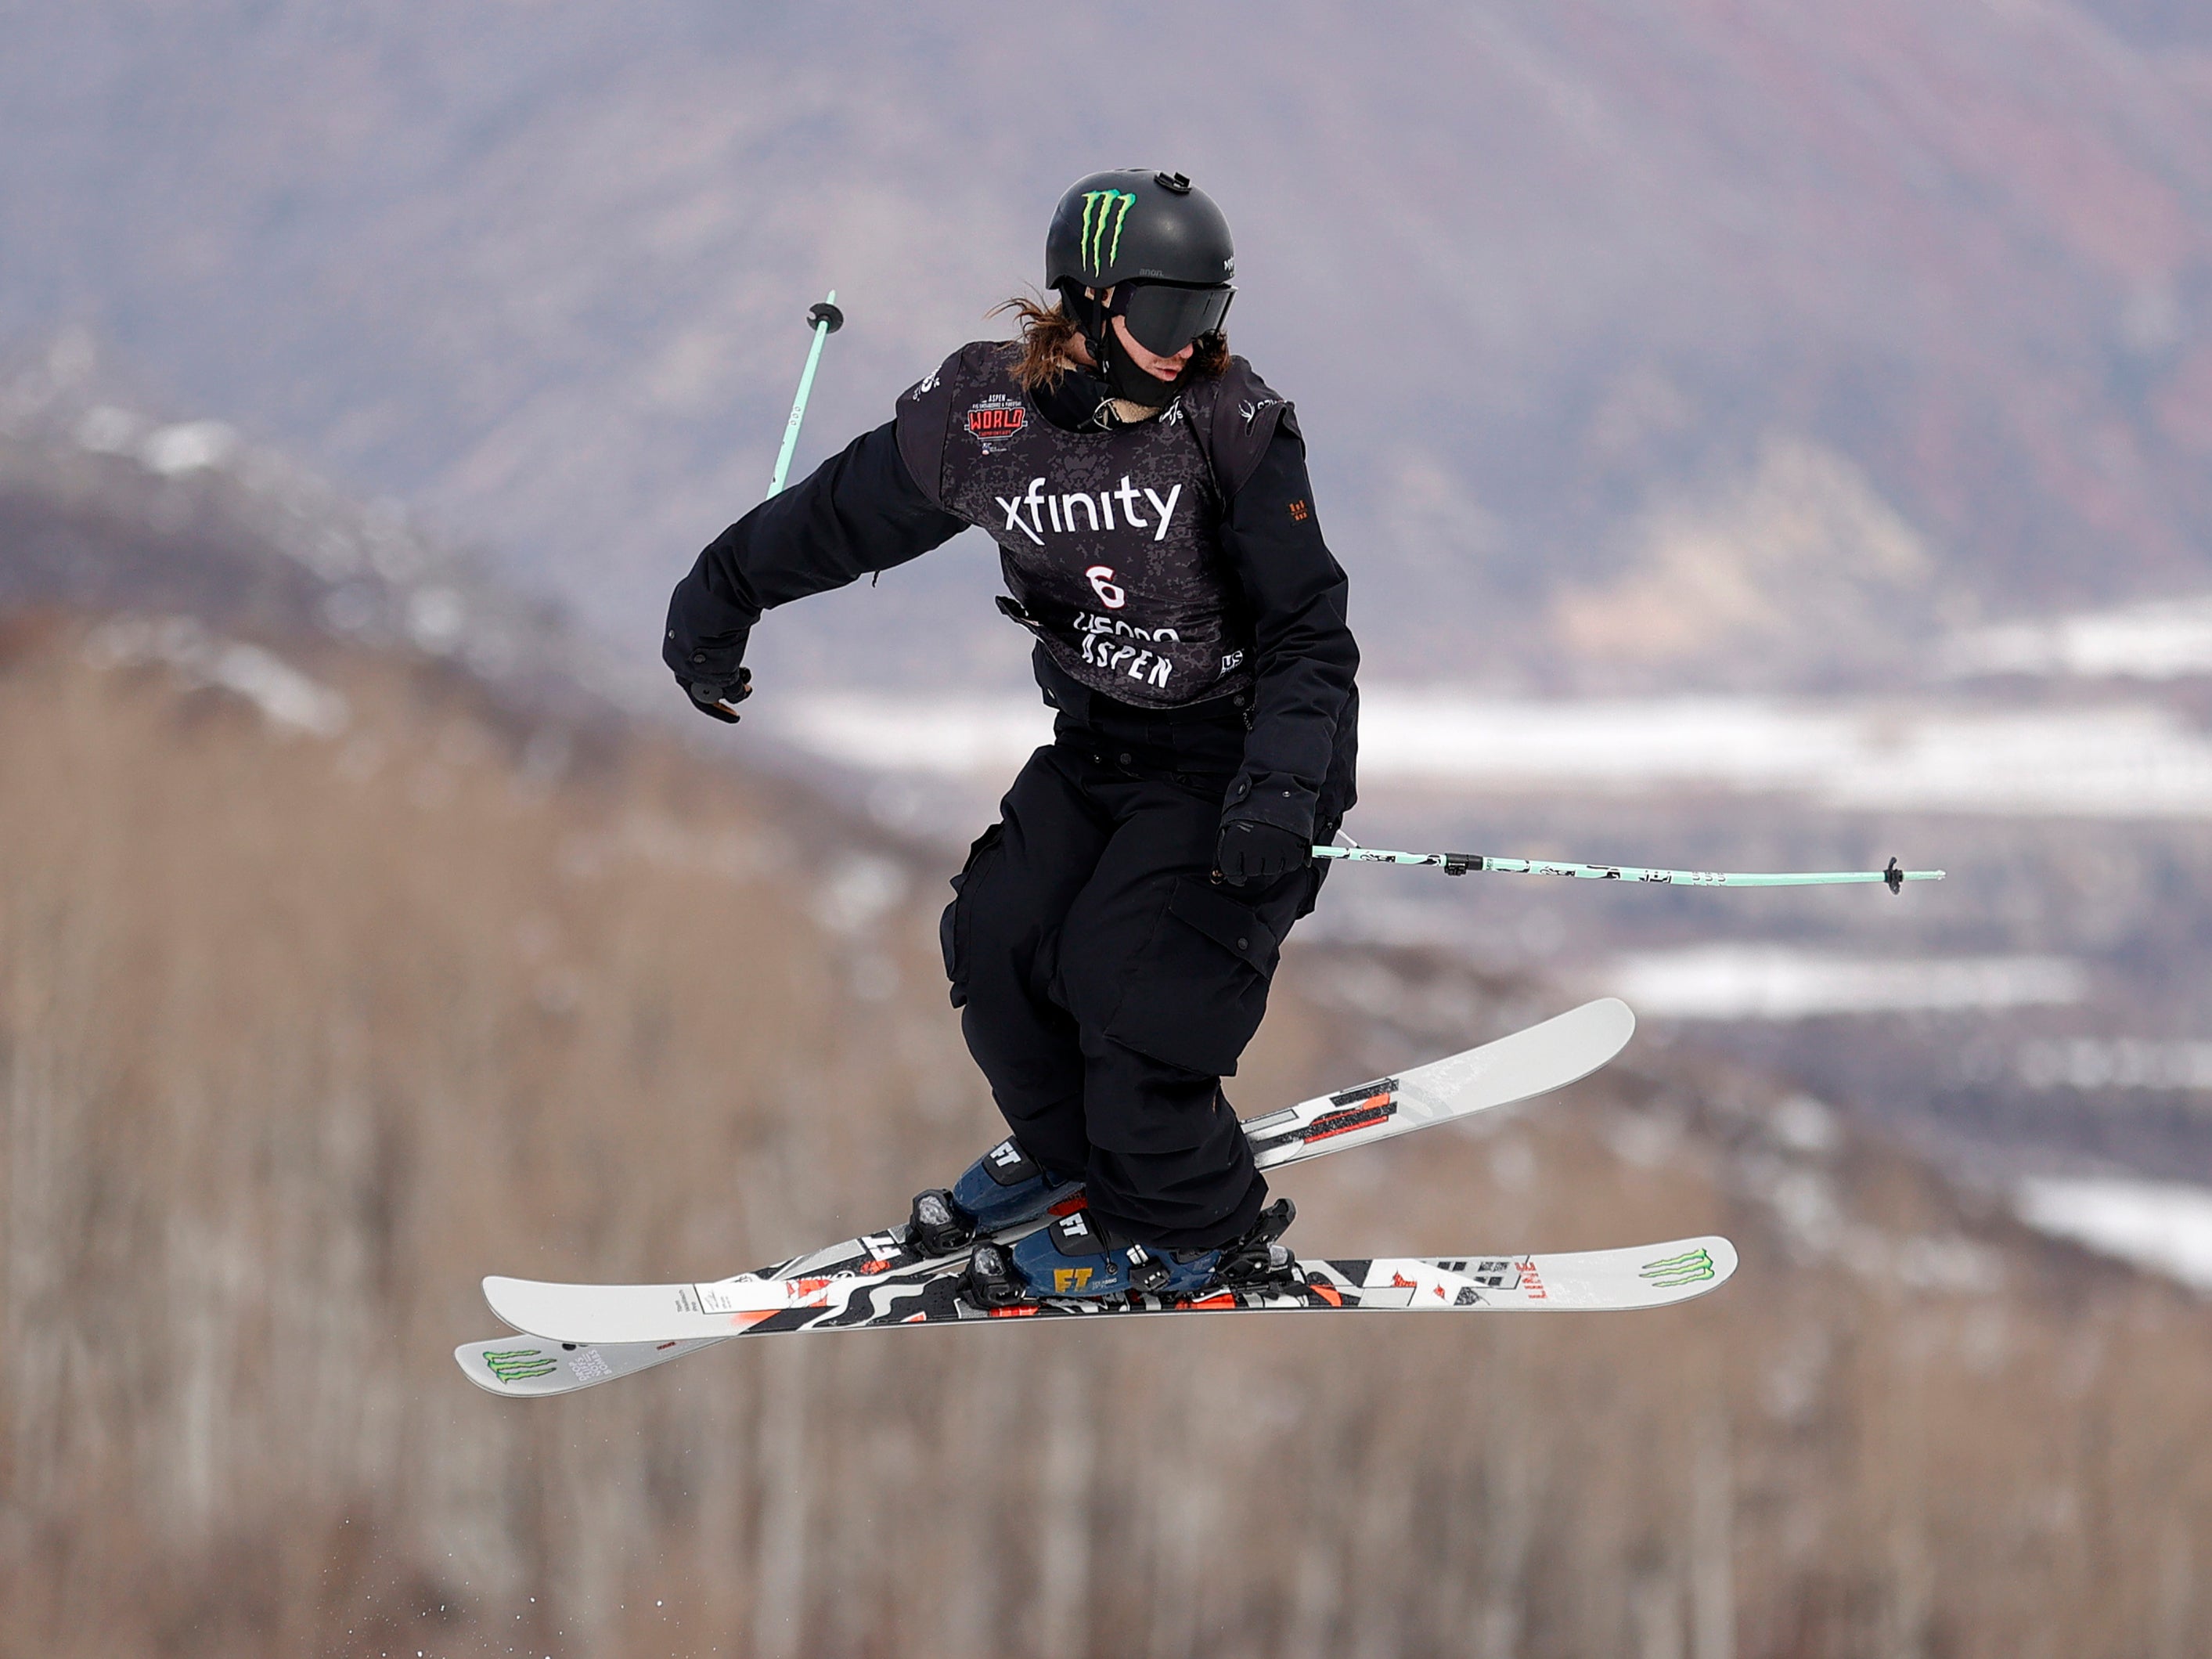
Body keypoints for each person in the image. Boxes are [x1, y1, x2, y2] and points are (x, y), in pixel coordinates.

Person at [665, 168, 1359, 1302]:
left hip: (1242, 757)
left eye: (1209, 312)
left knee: (1132, 998)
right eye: (1167, 313)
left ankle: (1196, 1227)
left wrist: (1282, 789)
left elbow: (1308, 637)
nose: (1192, 342)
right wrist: (718, 598)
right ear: (1088, 304)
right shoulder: (983, 420)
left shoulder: (1233, 429)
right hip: (1103, 745)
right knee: (995, 947)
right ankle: (1075, 1162)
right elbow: (844, 513)